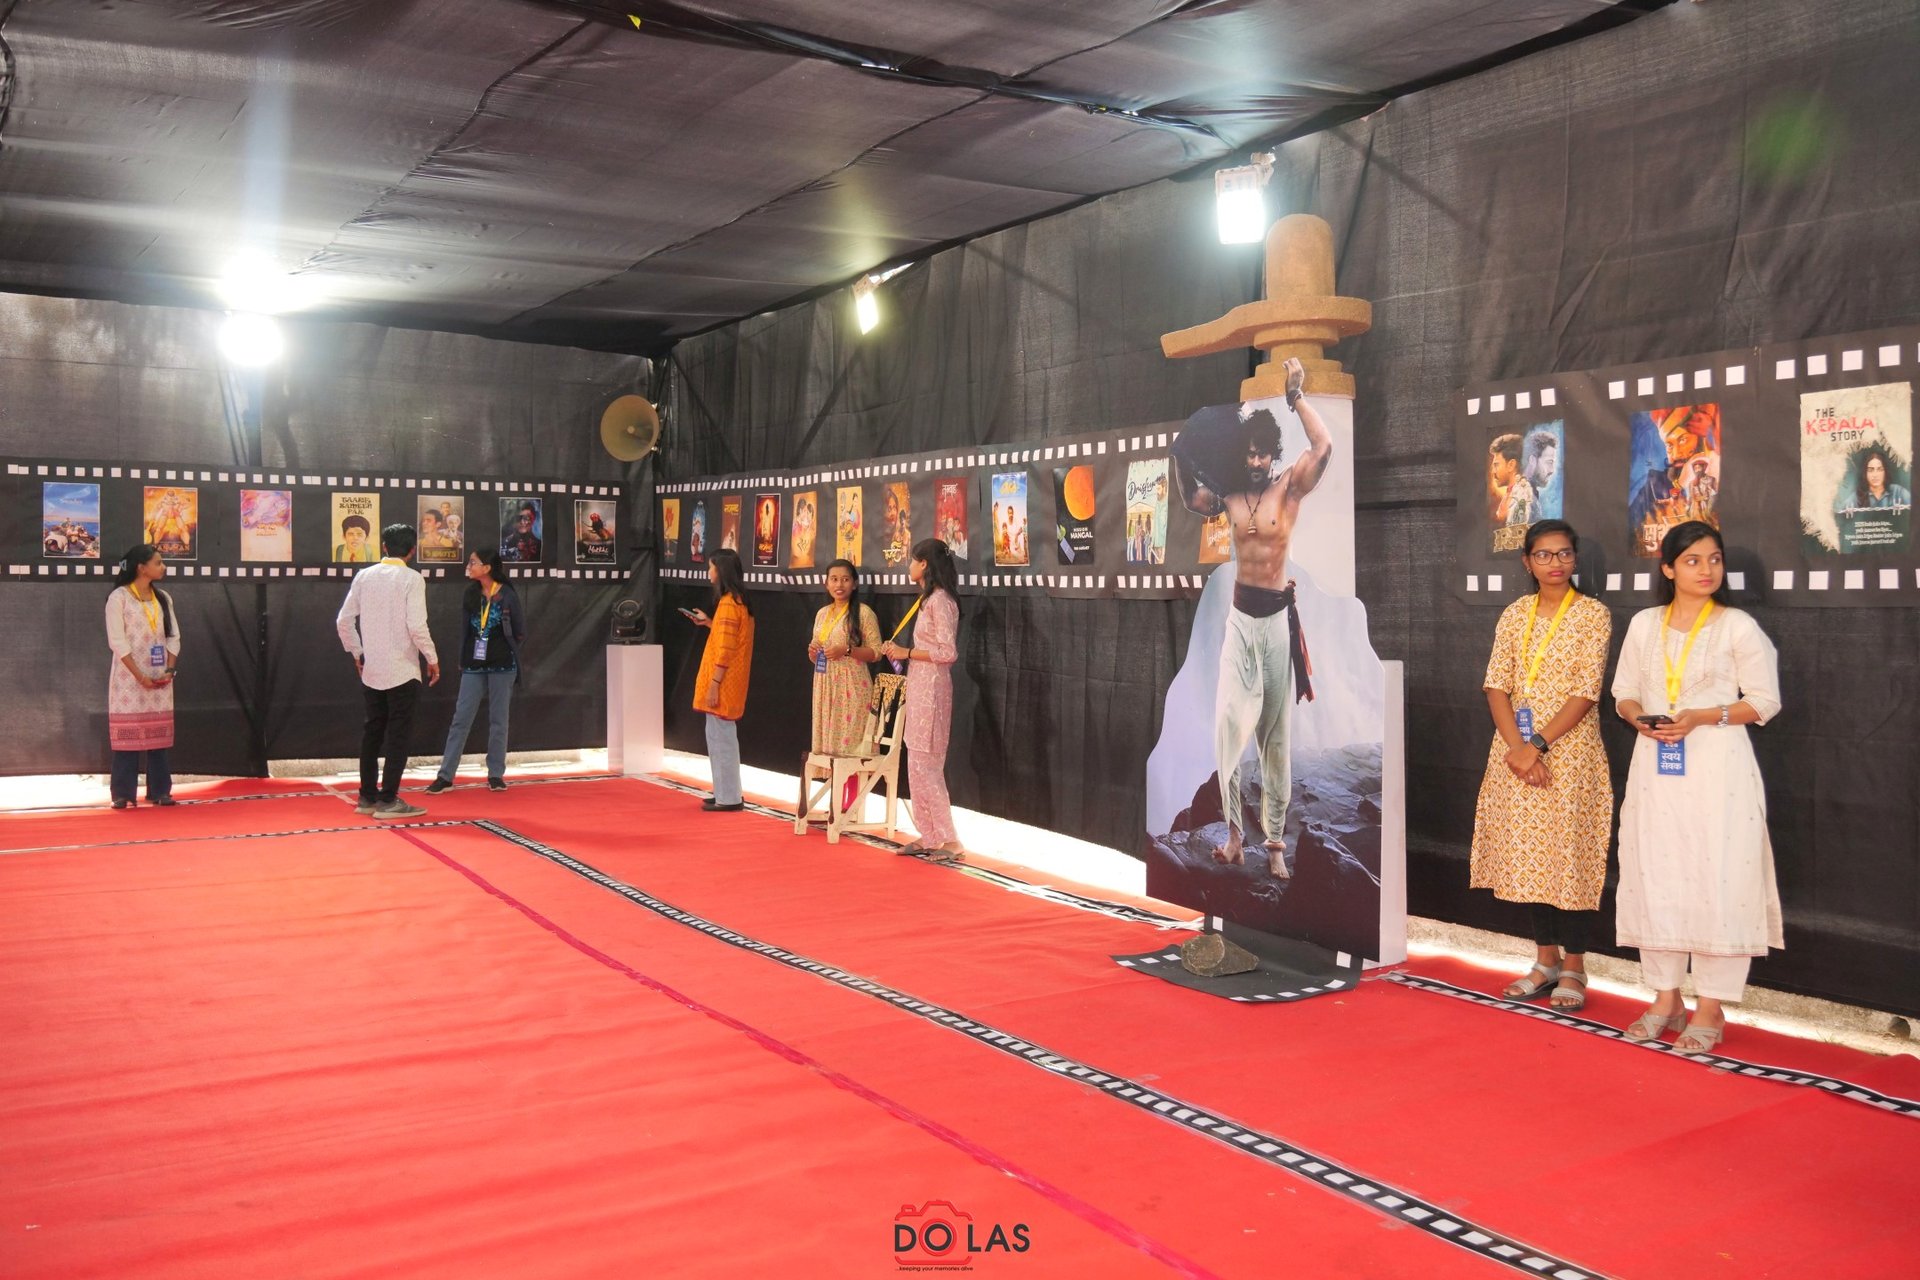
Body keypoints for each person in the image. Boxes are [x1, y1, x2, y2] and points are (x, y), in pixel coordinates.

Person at [1612, 520, 1783, 1055]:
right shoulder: (1644, 624)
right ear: (1667, 568)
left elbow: (1765, 701)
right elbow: (1623, 692)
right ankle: (1665, 998)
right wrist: (1640, 719)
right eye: (1692, 560)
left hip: (1719, 772)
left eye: (1714, 559)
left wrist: (1703, 716)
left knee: (1720, 877)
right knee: (1656, 873)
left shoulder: (1737, 626)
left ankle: (1711, 1006)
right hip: (1656, 770)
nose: (1706, 570)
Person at [1178, 357, 1326, 877]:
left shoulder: (1288, 489)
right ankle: (1236, 836)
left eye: (1264, 451)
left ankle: (1276, 846)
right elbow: (1191, 498)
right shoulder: (1231, 497)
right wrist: (1180, 452)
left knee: (1275, 736)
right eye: (1251, 452)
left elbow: (1323, 447)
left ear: (1273, 453)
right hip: (1240, 622)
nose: (1258, 459)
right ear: (1242, 454)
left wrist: (1296, 398)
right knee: (1227, 726)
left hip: (1276, 624)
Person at [1468, 520, 1614, 1010]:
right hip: (1515, 755)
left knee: (1569, 858)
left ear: (1575, 559)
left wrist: (1538, 745)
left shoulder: (1592, 615)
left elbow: (1586, 692)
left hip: (1569, 755)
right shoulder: (1514, 614)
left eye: (1564, 553)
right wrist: (1518, 748)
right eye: (1544, 555)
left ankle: (1575, 966)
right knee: (1530, 859)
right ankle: (1545, 960)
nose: (1556, 563)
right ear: (1527, 562)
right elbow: (1496, 685)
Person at [336, 523, 440, 819]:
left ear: (383, 546)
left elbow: (343, 620)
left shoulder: (364, 576)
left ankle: (367, 797)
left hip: (373, 668)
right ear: (412, 551)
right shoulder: (412, 578)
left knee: (372, 731)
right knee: (398, 735)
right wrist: (431, 657)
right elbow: (416, 625)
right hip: (402, 669)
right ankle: (389, 799)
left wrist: (358, 652)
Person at [880, 539, 963, 862]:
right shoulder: (927, 600)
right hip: (919, 686)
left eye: (912, 560)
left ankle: (950, 840)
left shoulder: (940, 601)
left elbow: (947, 652)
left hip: (933, 689)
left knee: (928, 765)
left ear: (924, 564)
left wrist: (908, 652)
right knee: (915, 763)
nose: (909, 566)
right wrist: (903, 655)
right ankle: (929, 834)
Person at [426, 548, 527, 794]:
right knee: (461, 719)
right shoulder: (470, 594)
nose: (469, 566)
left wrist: (502, 650)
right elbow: (464, 630)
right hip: (473, 665)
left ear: (487, 568)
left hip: (502, 665)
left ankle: (495, 774)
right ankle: (445, 776)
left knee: (498, 720)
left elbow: (519, 631)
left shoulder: (507, 595)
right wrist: (463, 658)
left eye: (473, 562)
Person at [104, 544, 180, 809]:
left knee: (158, 736)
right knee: (128, 736)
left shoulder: (163, 598)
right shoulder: (119, 598)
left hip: (160, 677)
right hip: (129, 679)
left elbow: (173, 636)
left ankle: (160, 791)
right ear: (141, 568)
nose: (163, 567)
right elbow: (117, 642)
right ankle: (123, 793)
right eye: (158, 562)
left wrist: (169, 670)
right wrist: (139, 676)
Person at [688, 548, 754, 812]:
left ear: (721, 570)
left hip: (723, 681)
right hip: (729, 680)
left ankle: (728, 798)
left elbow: (726, 649)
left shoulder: (728, 603)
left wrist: (714, 684)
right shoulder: (738, 601)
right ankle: (726, 793)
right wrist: (709, 623)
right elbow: (730, 637)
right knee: (721, 738)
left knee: (721, 740)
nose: (709, 572)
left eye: (711, 567)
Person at [809, 559, 882, 755]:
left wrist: (847, 650)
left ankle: (853, 778)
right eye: (834, 579)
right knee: (827, 749)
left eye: (845, 579)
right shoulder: (822, 613)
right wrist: (813, 653)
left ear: (855, 583)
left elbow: (877, 652)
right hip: (824, 686)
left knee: (850, 749)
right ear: (826, 583)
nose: (839, 584)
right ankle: (832, 777)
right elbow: (817, 652)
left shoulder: (864, 613)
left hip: (852, 686)